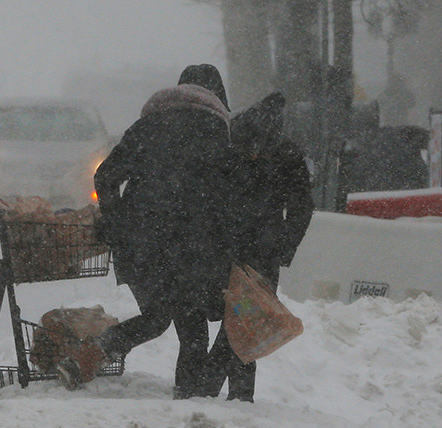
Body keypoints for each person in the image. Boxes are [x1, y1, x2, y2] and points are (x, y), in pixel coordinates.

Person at [58, 68, 235, 399]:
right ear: (217, 96)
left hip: (140, 242)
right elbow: (230, 195)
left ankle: (89, 356)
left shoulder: (147, 127)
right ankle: (189, 395)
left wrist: (116, 221)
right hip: (191, 244)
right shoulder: (217, 133)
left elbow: (106, 176)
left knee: (156, 316)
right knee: (191, 326)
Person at [202, 91, 314, 402]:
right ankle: (219, 389)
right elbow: (302, 205)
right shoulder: (286, 153)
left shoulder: (228, 147)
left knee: (240, 317)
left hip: (226, 249)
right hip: (262, 253)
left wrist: (212, 235)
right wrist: (284, 245)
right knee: (247, 318)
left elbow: (210, 197)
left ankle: (230, 392)